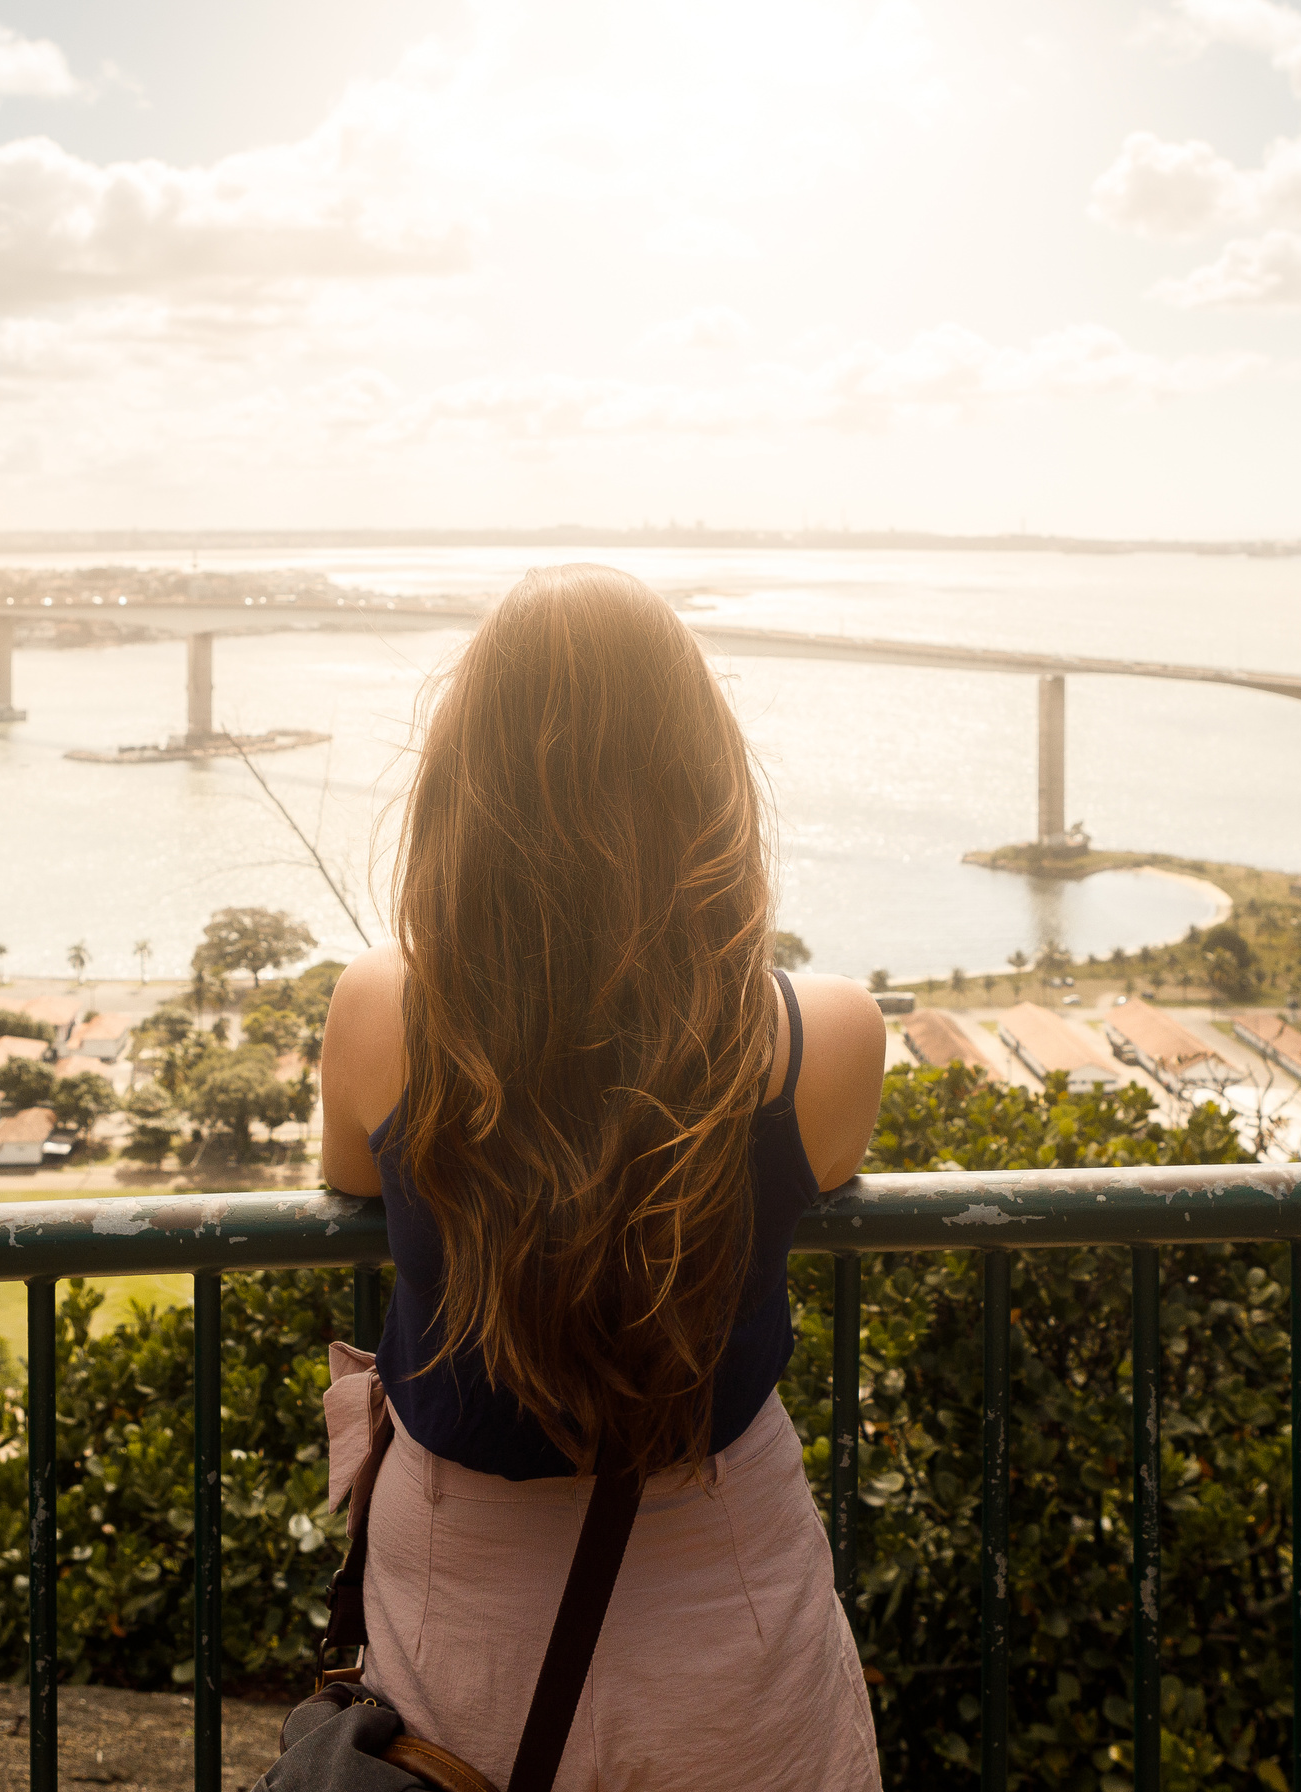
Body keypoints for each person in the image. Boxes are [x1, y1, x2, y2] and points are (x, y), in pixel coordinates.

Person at [318, 564, 887, 1791]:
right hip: (722, 1576)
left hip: (454, 1582)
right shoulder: (819, 1035)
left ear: (466, 787)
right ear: (705, 782)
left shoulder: (383, 1010)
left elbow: (346, 1172)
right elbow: (824, 1162)